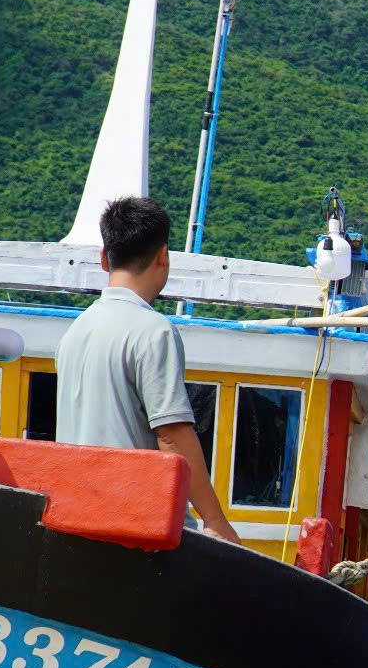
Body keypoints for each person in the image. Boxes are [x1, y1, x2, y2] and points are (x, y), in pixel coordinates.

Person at [54, 194, 239, 544]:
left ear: (104, 258)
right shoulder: (154, 331)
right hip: (136, 522)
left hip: (79, 515)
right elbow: (171, 434)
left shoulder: (74, 332)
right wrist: (215, 520)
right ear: (163, 256)